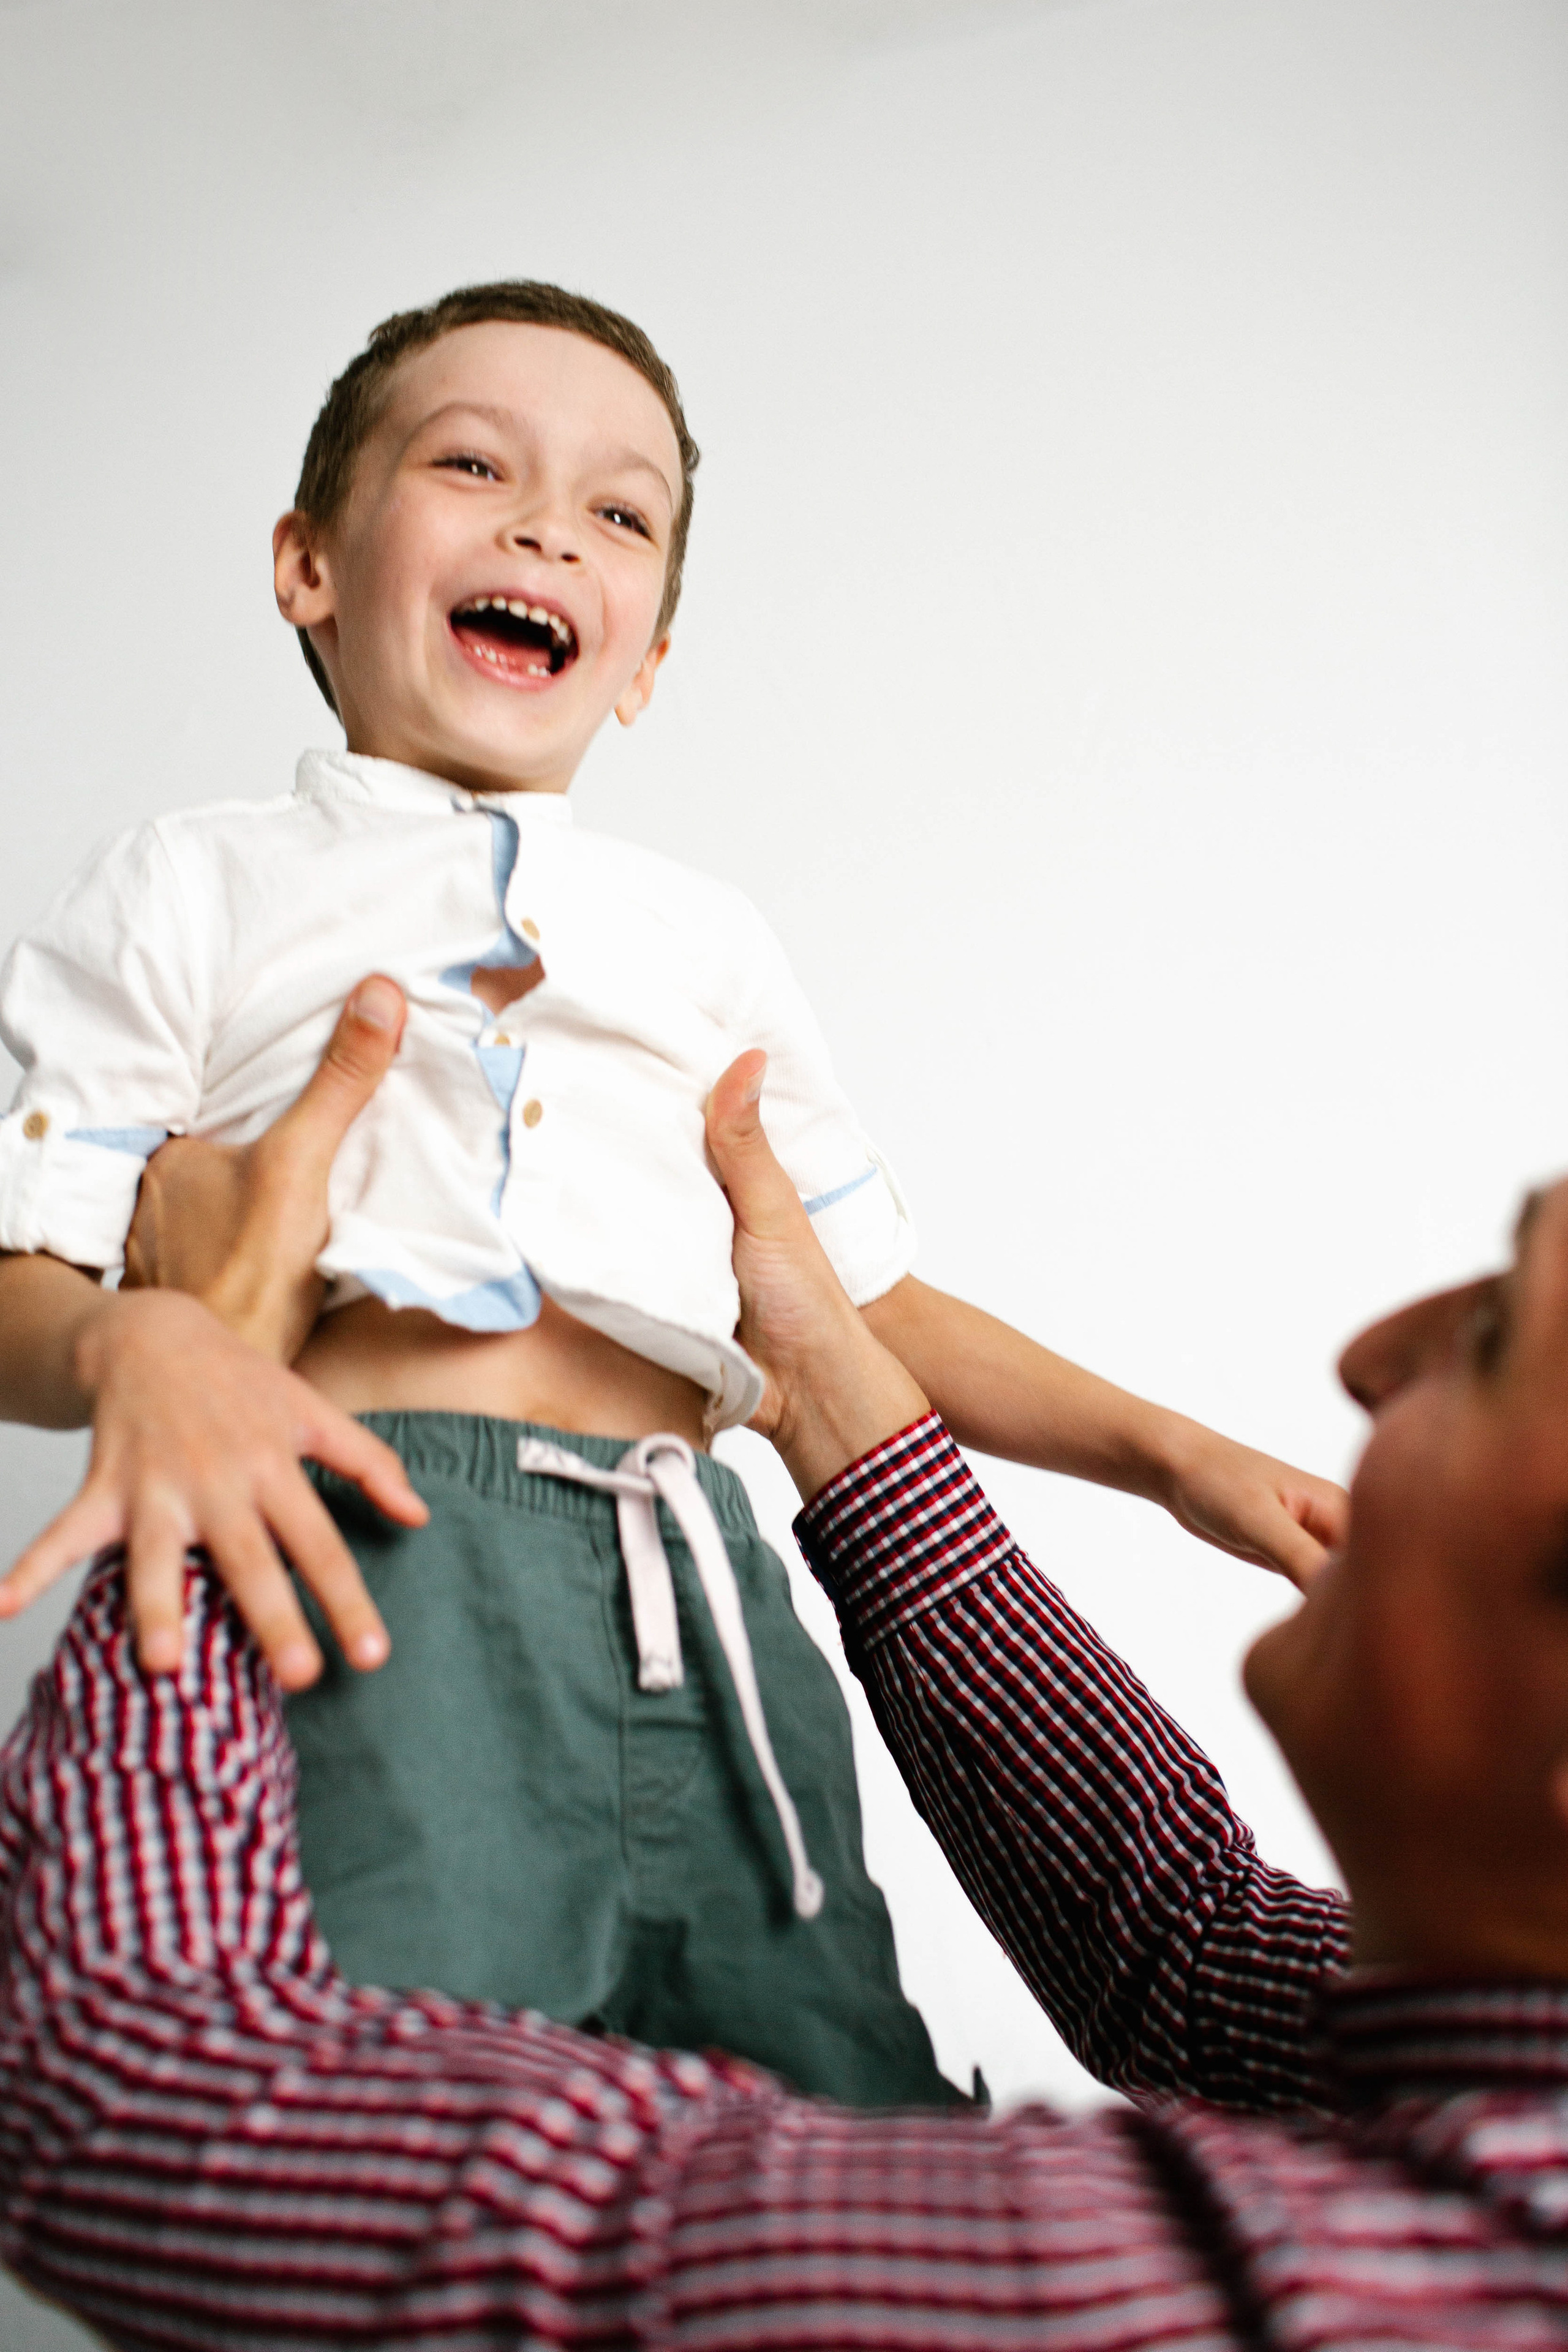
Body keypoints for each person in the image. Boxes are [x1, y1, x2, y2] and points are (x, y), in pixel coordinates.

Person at [0, 281, 1343, 2106]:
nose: (547, 524)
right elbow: (32, 1265)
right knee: (405, 2086)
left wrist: (1167, 1451)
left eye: (619, 514)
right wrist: (137, 1352)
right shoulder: (195, 884)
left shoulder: (708, 943)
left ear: (639, 660)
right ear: (309, 563)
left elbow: (854, 1307)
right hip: (376, 1553)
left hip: (707, 1585)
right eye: (473, 465)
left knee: (833, 2104)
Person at [1, 1003, 1566, 2348]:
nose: (1370, 1352)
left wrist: (227, 1412)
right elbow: (1180, 1944)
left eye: (1493, 1336)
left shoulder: (1232, 2299)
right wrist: (828, 1393)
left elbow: (123, 2100)